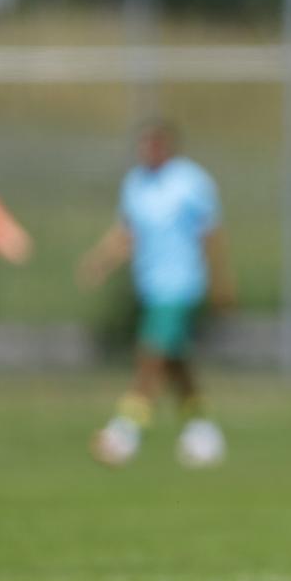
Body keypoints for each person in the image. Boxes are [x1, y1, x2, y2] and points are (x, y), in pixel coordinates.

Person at [78, 118, 235, 468]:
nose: (146, 152)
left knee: (150, 353)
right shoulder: (135, 185)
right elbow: (127, 232)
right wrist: (100, 261)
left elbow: (211, 235)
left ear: (168, 147)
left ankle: (125, 432)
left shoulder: (192, 183)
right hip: (150, 285)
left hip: (182, 285)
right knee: (174, 359)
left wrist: (221, 282)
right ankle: (202, 430)